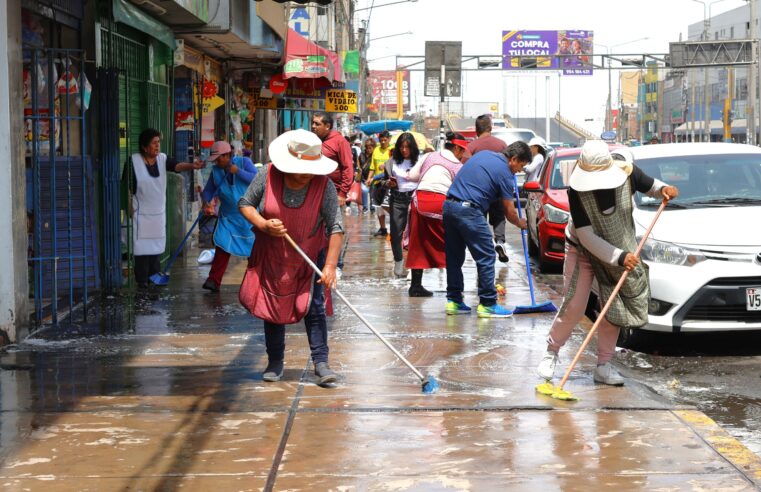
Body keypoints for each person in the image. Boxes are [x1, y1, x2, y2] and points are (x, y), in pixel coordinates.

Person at [535, 141, 679, 385]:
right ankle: (552, 352)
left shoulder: (628, 173)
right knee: (574, 306)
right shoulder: (576, 190)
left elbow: (653, 187)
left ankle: (604, 365)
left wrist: (665, 189)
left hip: (621, 252)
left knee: (612, 309)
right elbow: (587, 236)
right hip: (584, 251)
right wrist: (620, 257)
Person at [238, 129, 344, 385]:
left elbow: (336, 228)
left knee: (313, 306)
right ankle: (275, 361)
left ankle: (321, 363)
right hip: (272, 255)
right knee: (272, 306)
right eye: (301, 168)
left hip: (308, 256)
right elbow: (245, 203)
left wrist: (330, 267)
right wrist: (263, 225)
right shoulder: (268, 175)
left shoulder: (324, 186)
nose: (307, 174)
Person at [443, 141, 531, 318]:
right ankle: (488, 304)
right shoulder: (505, 174)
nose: (520, 171)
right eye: (521, 166)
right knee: (487, 256)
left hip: (449, 206)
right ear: (513, 159)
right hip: (469, 210)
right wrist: (521, 223)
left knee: (454, 257)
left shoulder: (483, 155)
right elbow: (509, 211)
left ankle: (454, 301)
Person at [123, 128, 204, 288]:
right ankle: (142, 281)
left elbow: (176, 166)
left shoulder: (162, 159)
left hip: (158, 214)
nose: (157, 146)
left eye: (158, 142)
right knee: (141, 250)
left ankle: (154, 277)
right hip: (140, 214)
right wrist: (128, 209)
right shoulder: (133, 162)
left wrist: (192, 166)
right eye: (154, 143)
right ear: (144, 147)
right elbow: (126, 188)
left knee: (156, 248)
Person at [403, 132, 468, 296]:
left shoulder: (429, 156)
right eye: (462, 151)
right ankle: (453, 289)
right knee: (448, 245)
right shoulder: (458, 167)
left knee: (418, 244)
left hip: (418, 202)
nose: (462, 156)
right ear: (456, 148)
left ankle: (415, 286)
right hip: (440, 204)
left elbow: (411, 176)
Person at [200, 141, 257, 292]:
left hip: (250, 216)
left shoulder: (244, 163)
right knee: (222, 246)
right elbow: (208, 191)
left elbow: (257, 179)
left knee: (254, 250)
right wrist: (206, 202)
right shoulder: (216, 172)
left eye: (220, 159)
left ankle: (254, 281)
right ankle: (213, 280)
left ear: (228, 155)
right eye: (215, 160)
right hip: (228, 217)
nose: (217, 162)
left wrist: (237, 171)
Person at [466, 114, 510, 263]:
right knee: (499, 217)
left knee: (481, 219)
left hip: (479, 192)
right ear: (490, 128)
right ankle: (500, 242)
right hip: (497, 189)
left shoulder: (472, 146)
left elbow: (464, 167)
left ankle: (484, 245)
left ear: (476, 130)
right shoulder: (502, 144)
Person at [378, 132, 420, 278]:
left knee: (416, 234)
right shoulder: (392, 162)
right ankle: (398, 263)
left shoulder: (419, 162)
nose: (404, 150)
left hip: (415, 200)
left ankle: (416, 267)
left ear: (412, 148)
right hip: (397, 200)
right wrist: (388, 183)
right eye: (401, 147)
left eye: (407, 147)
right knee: (396, 233)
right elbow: (383, 181)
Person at [311, 112, 354, 207]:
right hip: (314, 191)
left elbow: (348, 168)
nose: (313, 126)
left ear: (327, 126)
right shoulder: (313, 140)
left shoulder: (340, 142)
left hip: (333, 193)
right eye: (313, 123)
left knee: (332, 221)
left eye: (317, 124)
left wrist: (342, 194)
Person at [366, 130, 392, 237]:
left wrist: (385, 165)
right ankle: (383, 228)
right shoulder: (376, 150)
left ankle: (397, 226)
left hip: (388, 183)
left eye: (385, 140)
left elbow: (395, 163)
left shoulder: (392, 150)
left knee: (388, 205)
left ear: (389, 139)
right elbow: (372, 167)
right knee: (378, 207)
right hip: (376, 183)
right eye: (381, 140)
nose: (383, 142)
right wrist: (369, 178)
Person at [358, 137, 376, 213]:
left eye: (370, 148)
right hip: (363, 177)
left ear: (373, 147)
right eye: (367, 147)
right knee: (364, 191)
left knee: (372, 193)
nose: (368, 149)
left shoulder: (375, 155)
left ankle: (372, 208)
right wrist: (358, 169)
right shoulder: (361, 154)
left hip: (373, 177)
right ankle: (365, 207)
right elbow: (358, 163)